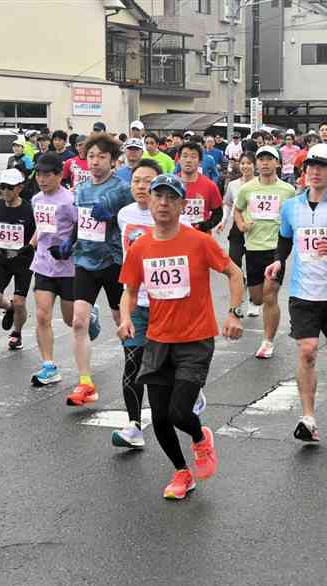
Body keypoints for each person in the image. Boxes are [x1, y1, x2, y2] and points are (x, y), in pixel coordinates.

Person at [118, 173, 244, 500]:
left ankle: (200, 438)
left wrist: (233, 312)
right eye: (158, 196)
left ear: (182, 205)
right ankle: (181, 472)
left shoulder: (199, 242)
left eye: (171, 198)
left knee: (178, 412)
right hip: (158, 339)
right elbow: (130, 290)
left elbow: (234, 272)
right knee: (159, 417)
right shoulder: (141, 246)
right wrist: (127, 318)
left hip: (196, 339)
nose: (163, 203)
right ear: (149, 201)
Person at [265, 144, 327, 442]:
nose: (315, 171)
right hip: (303, 293)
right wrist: (277, 261)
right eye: (310, 166)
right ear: (303, 171)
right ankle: (308, 418)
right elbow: (284, 239)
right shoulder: (292, 207)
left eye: (321, 166)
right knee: (307, 350)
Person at [52, 133, 133, 406]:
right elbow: (82, 222)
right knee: (78, 321)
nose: (95, 162)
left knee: (122, 322)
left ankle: (134, 370)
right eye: (91, 157)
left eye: (101, 157)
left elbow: (131, 223)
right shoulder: (83, 189)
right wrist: (68, 242)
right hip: (85, 260)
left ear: (113, 160)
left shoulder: (122, 188)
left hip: (113, 262)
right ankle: (85, 383)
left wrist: (112, 217)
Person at [111, 159, 164, 449]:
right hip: (135, 301)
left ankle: (190, 395)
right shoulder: (124, 214)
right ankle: (134, 425)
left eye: (147, 181)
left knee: (164, 366)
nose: (141, 186)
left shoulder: (174, 218)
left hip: (167, 305)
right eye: (136, 181)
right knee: (132, 362)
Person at [234, 145, 296, 357]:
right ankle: (257, 305)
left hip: (276, 249)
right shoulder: (247, 189)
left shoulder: (288, 191)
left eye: (270, 159)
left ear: (277, 163)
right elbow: (237, 209)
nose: (265, 163)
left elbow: (294, 215)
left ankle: (267, 341)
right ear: (256, 163)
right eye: (261, 159)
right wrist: (241, 225)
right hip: (253, 248)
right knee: (258, 298)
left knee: (270, 295)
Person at [30, 153, 77, 386]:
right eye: (39, 174)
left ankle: (92, 313)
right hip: (43, 265)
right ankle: (49, 365)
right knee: (42, 314)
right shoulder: (36, 199)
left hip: (68, 268)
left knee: (70, 320)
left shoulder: (69, 201)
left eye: (47, 174)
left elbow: (82, 228)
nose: (42, 179)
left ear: (59, 175)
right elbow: (41, 228)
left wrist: (71, 245)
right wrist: (30, 244)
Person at [0, 168, 36, 350]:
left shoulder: (29, 209)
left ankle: (17, 334)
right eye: (1, 187)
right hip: (2, 258)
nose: (5, 192)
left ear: (19, 188)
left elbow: (38, 233)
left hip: (23, 261)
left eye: (9, 188)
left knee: (21, 302)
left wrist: (32, 248)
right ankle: (9, 307)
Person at [221, 152, 254, 284]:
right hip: (237, 226)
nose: (245, 166)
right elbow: (228, 204)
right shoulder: (233, 185)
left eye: (249, 163)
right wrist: (224, 221)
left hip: (255, 227)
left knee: (254, 260)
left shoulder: (260, 184)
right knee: (234, 258)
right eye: (242, 163)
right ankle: (240, 278)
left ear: (254, 165)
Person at [177, 142, 223, 232]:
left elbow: (218, 213)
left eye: (193, 157)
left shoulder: (210, 185)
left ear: (200, 161)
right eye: (185, 156)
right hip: (175, 237)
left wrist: (205, 226)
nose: (188, 160)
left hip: (201, 238)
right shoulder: (171, 184)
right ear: (179, 159)